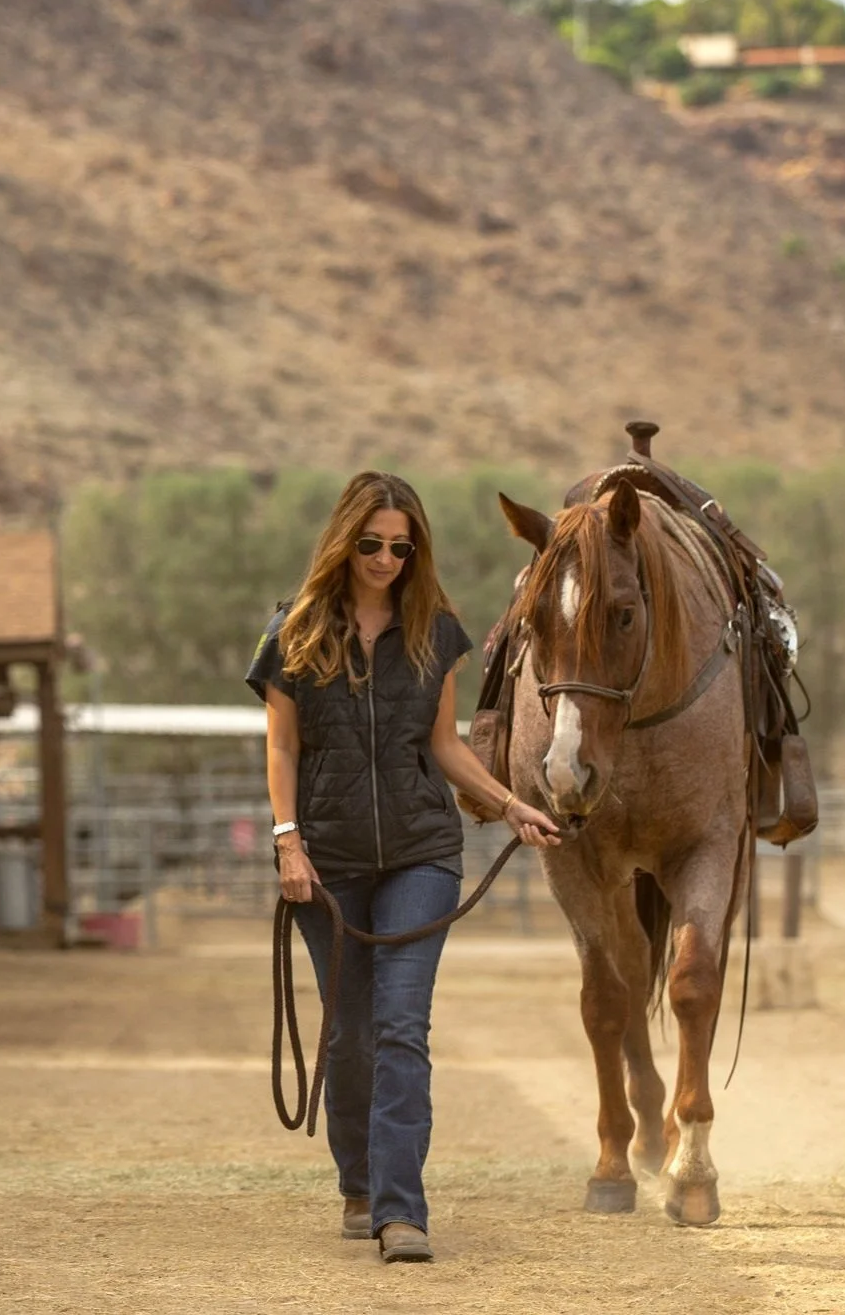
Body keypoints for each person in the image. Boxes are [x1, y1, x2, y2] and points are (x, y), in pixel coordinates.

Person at [245, 471, 559, 1263]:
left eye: (400, 545)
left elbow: (442, 744)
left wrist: (509, 800)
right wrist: (287, 839)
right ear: (344, 541)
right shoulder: (294, 632)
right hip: (326, 860)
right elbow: (281, 746)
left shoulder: (435, 629)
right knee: (348, 1032)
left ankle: (399, 1210)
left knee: (400, 1027)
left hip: (421, 853)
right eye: (371, 543)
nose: (386, 558)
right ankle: (358, 1181)